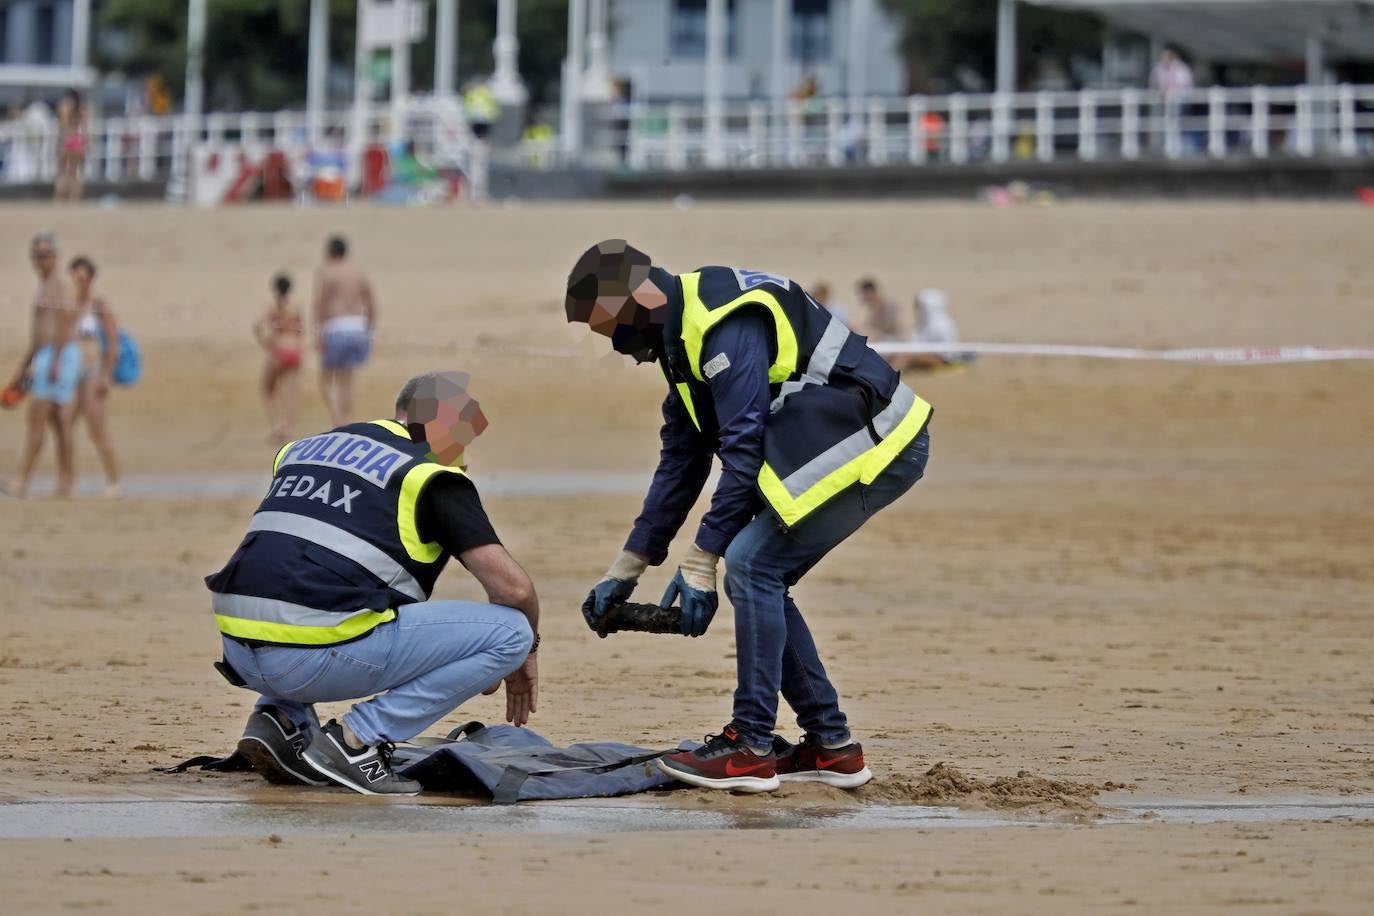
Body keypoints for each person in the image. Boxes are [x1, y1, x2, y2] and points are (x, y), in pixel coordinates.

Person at [567, 240, 933, 793]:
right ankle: (832, 747)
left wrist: (700, 560)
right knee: (757, 571)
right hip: (837, 434)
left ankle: (751, 748)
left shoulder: (723, 323)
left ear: (641, 294)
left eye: (614, 328)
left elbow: (741, 449)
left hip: (880, 439)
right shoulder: (683, 337)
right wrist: (628, 565)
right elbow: (682, 461)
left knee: (751, 566)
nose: (620, 346)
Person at [206, 371, 540, 796]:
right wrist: (526, 649)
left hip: (238, 648)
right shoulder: (428, 472)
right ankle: (356, 741)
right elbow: (514, 590)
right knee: (510, 632)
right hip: (307, 659)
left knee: (318, 581)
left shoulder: (304, 448)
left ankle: (279, 718)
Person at [6, 233, 80, 499]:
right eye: (37, 255)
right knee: (59, 422)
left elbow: (64, 323)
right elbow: (38, 332)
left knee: (37, 416)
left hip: (59, 355)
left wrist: (56, 361)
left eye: (46, 255)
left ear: (55, 256)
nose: (41, 260)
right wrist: (25, 367)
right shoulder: (43, 285)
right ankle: (67, 481)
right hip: (44, 355)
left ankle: (22, 480)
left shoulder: (61, 284)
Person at [68, 256, 123, 496]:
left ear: (90, 278)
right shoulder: (67, 304)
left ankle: (114, 481)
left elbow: (112, 342)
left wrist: (105, 376)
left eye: (83, 276)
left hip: (93, 372)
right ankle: (69, 481)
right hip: (71, 373)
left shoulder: (98, 305)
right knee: (65, 425)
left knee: (96, 429)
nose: (79, 281)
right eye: (75, 276)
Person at [312, 235, 376, 426]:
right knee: (347, 380)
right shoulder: (358, 272)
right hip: (358, 326)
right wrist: (370, 328)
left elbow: (320, 303)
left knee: (326, 378)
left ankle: (337, 419)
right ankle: (347, 419)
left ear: (331, 251)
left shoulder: (327, 271)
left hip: (336, 326)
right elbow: (370, 301)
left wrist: (318, 331)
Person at [254, 273, 304, 441]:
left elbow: (258, 325)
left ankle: (277, 426)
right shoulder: (296, 306)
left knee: (267, 388)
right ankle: (287, 428)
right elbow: (300, 329)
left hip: (279, 349)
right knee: (290, 392)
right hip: (295, 349)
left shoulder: (273, 306)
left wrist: (266, 343)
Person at [55, 89, 87, 203]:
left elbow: (63, 128)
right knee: (74, 172)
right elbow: (84, 130)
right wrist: (84, 145)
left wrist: (62, 144)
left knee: (63, 171)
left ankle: (60, 197)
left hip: (68, 140)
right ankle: (75, 198)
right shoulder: (82, 110)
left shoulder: (64, 108)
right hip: (77, 140)